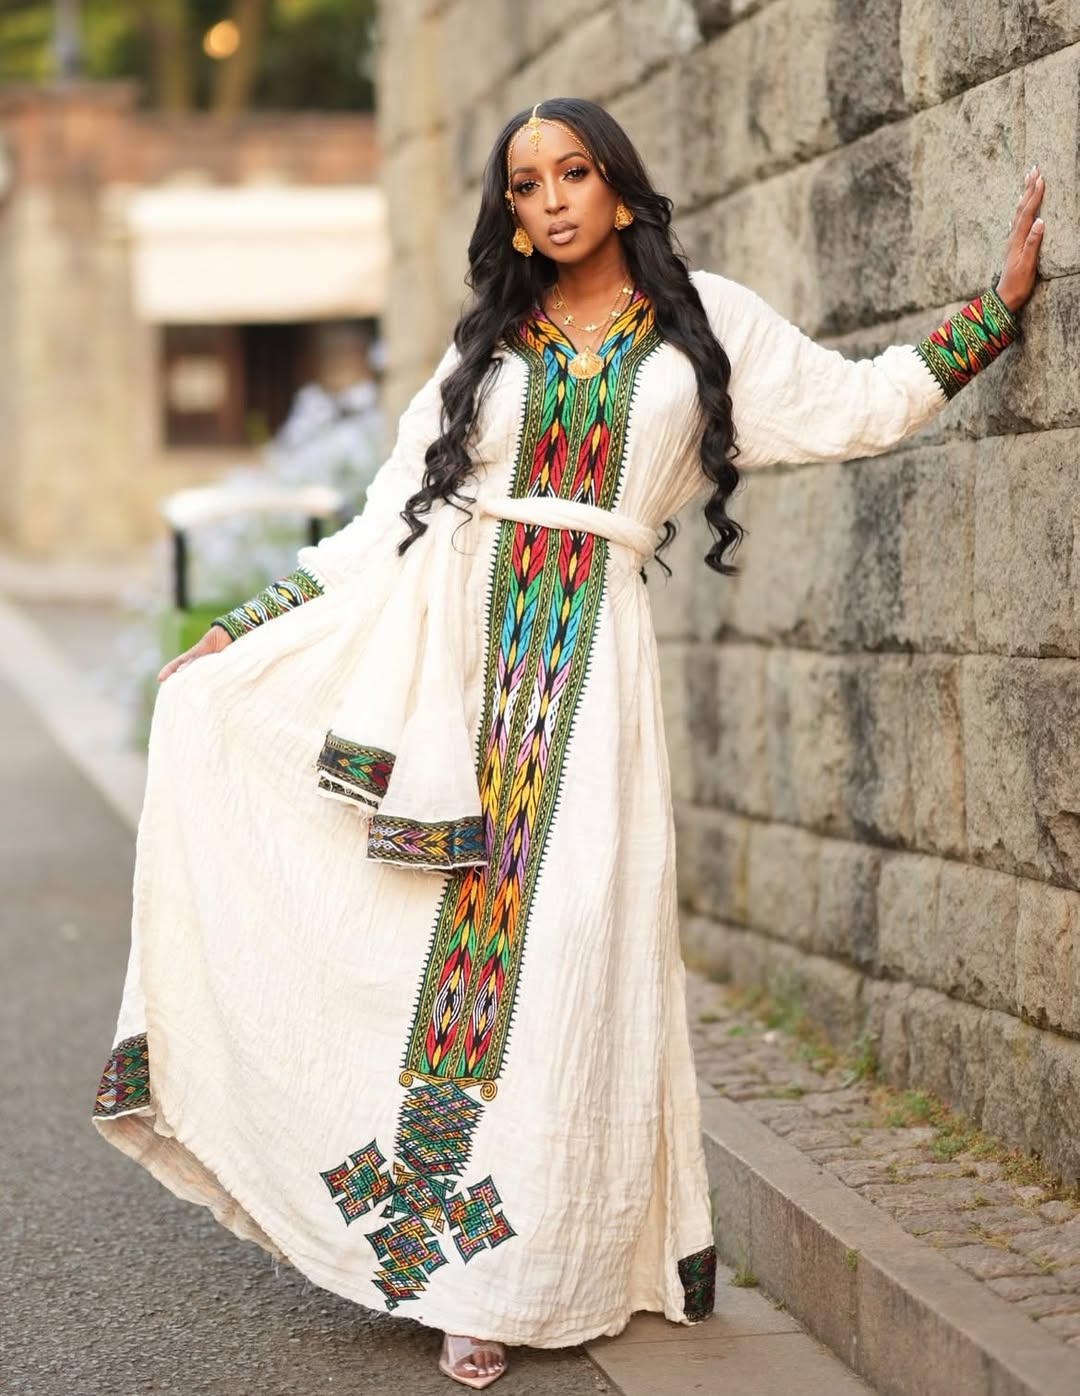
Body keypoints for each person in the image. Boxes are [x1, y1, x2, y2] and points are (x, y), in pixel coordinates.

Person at [93, 98, 1044, 1390]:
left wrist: (996, 312)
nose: (550, 200)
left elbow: (858, 406)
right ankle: (461, 1278)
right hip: (459, 679)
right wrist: (245, 630)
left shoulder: (701, 326)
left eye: (574, 173)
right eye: (526, 183)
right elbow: (383, 519)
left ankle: (539, 1261)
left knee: (569, 959)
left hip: (594, 694)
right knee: (446, 959)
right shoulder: (485, 346)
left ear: (620, 188)